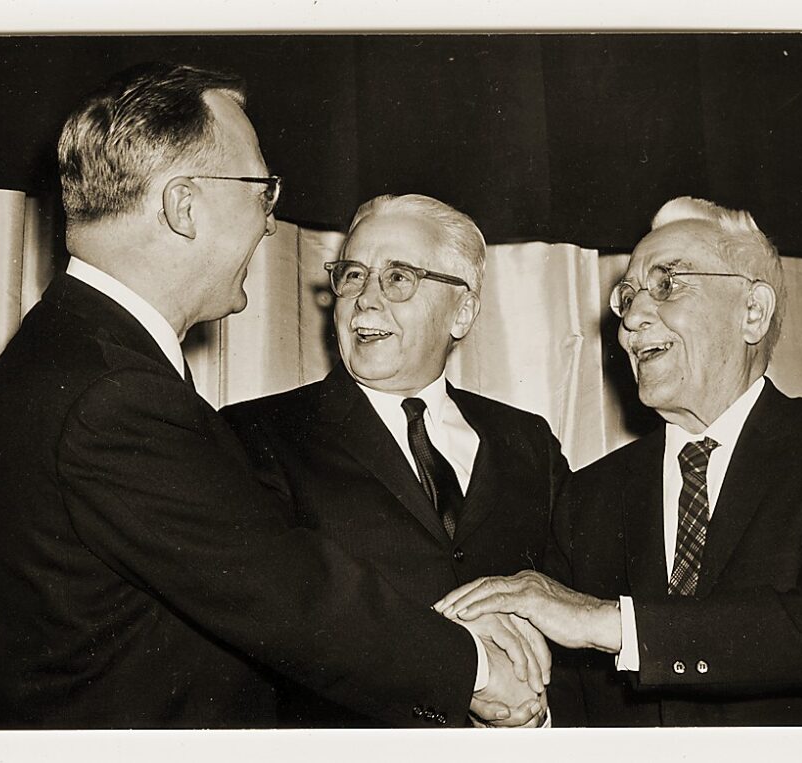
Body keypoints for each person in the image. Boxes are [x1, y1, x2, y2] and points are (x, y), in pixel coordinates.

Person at [0, 62, 547, 729]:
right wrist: (472, 667)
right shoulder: (114, 391)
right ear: (185, 206)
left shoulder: (76, 352)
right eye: (260, 191)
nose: (270, 225)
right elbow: (284, 588)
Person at [435, 196, 802, 726]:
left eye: (667, 284)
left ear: (752, 311)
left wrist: (608, 621)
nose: (631, 320)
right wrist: (520, 715)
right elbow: (572, 703)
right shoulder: (586, 499)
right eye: (627, 297)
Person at [221, 193, 568, 726]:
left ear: (464, 310)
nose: (364, 299)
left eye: (398, 277)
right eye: (353, 275)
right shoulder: (257, 434)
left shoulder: (528, 441)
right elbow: (272, 626)